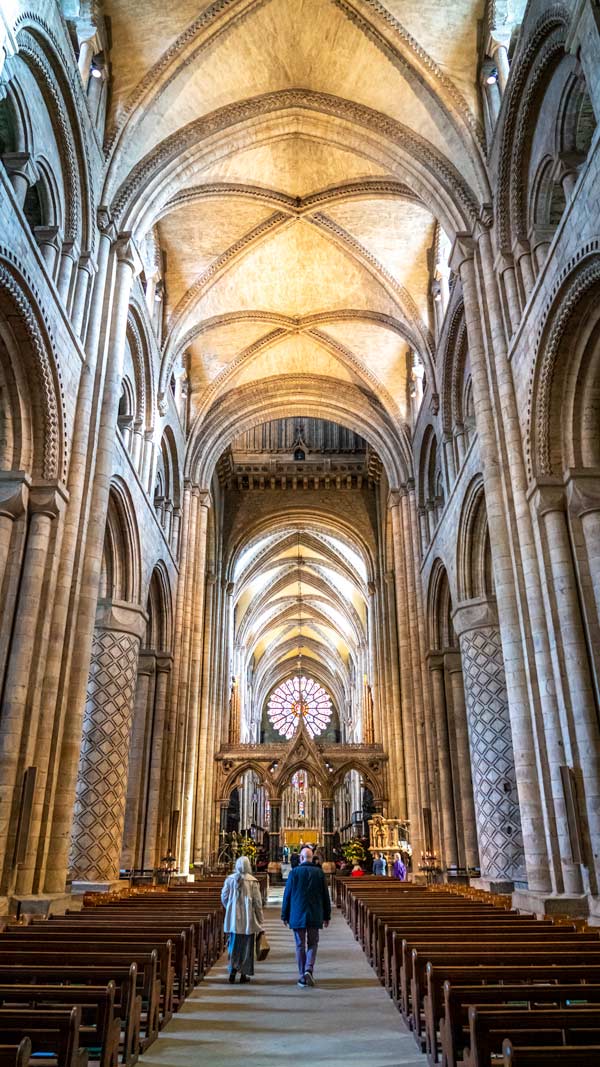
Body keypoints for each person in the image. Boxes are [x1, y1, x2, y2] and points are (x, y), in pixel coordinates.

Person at [281, 846, 331, 988]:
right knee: (313, 943)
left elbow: (287, 895)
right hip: (315, 914)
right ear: (312, 858)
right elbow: (325, 896)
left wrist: (284, 914)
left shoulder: (294, 873)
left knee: (299, 945)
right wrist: (327, 915)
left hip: (297, 914)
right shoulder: (319, 873)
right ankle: (309, 969)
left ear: (301, 858)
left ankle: (303, 974)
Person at [221, 855, 264, 984]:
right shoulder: (252, 881)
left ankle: (232, 971)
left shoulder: (230, 880)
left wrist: (230, 907)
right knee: (247, 947)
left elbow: (224, 896)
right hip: (248, 919)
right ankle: (244, 974)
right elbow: (257, 902)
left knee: (234, 945)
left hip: (234, 918)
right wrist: (260, 920)